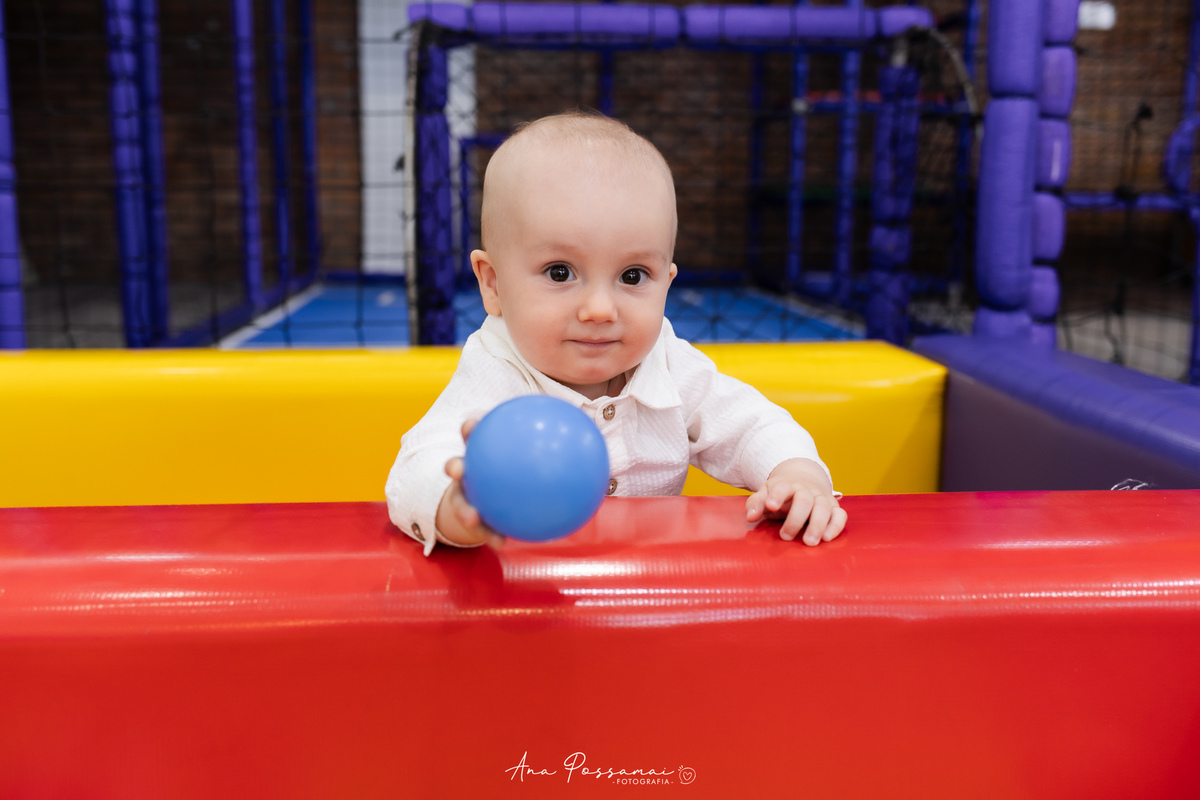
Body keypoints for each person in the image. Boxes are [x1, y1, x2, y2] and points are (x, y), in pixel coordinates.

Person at [385, 111, 846, 555]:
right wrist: (457, 507)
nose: (600, 310)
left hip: (645, 597)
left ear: (667, 283)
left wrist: (796, 474)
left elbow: (750, 425)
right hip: (529, 599)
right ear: (493, 284)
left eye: (632, 276)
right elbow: (418, 466)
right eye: (560, 272)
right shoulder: (496, 373)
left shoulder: (666, 363)